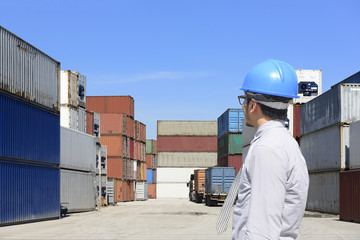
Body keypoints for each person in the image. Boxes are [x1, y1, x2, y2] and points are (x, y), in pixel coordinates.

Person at [232, 59, 309, 240]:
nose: (243, 105)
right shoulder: (286, 144)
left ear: (253, 105)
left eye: (244, 99)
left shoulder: (266, 149)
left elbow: (263, 229)